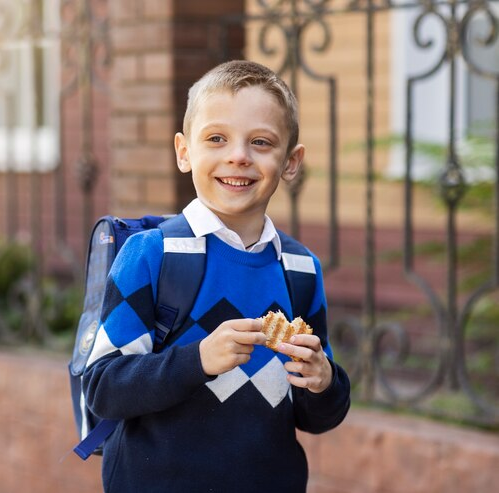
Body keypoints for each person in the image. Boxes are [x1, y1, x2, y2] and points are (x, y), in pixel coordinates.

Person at [82, 60, 350, 492]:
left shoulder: (300, 269)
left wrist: (323, 381)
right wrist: (199, 359)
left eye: (261, 142)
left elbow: (318, 417)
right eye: (216, 138)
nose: (238, 155)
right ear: (184, 151)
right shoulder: (152, 254)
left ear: (291, 162)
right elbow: (104, 388)